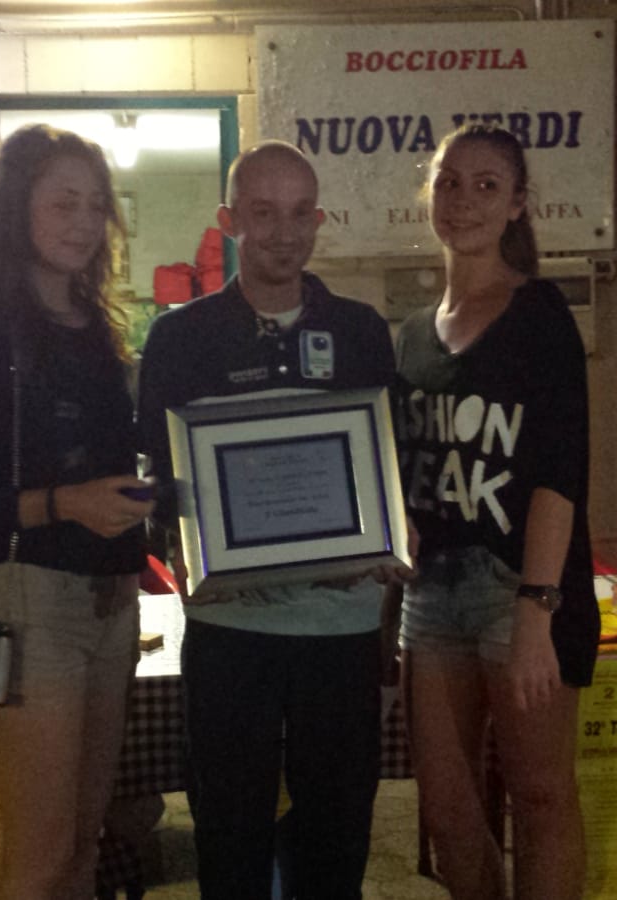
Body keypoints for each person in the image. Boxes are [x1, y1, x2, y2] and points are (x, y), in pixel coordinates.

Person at [136, 140, 397, 900]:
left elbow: (391, 463)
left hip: (342, 628)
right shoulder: (179, 338)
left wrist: (389, 543)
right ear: (230, 221)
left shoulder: (361, 331)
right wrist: (186, 556)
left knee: (337, 837)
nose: (284, 232)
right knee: (229, 835)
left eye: (300, 212)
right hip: (230, 628)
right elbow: (159, 480)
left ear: (319, 219)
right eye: (264, 212)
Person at [0, 124, 155, 900]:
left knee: (83, 847)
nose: (83, 222)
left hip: (113, 603)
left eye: (96, 204)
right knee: (40, 859)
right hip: (31, 602)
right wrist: (66, 504)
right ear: (17, 209)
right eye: (63, 202)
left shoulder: (101, 331)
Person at [392, 122, 599, 899]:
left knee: (540, 798)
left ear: (517, 204)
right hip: (431, 594)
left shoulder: (539, 314)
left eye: (486, 186)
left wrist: (538, 611)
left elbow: (559, 474)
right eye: (449, 182)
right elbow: (404, 469)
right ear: (429, 194)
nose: (463, 200)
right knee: (446, 811)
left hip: (518, 589)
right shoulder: (414, 335)